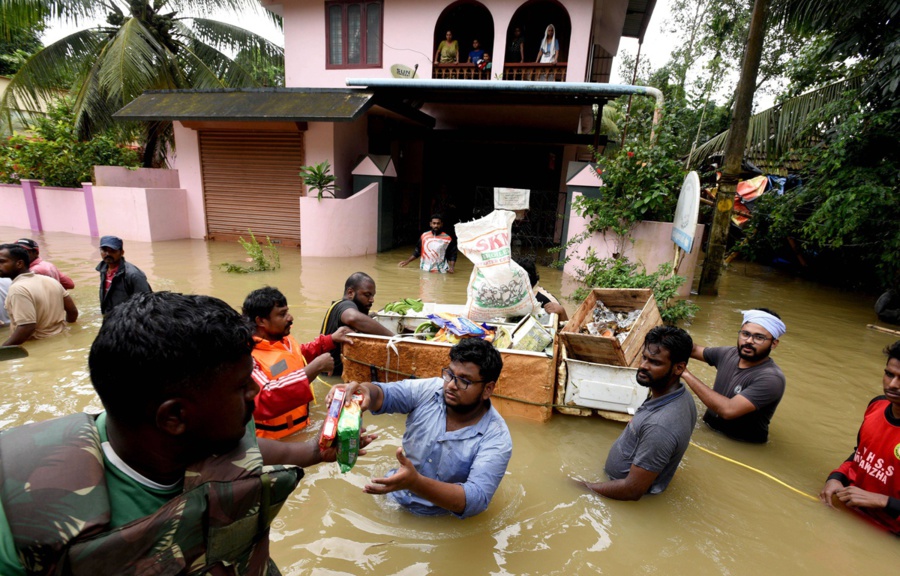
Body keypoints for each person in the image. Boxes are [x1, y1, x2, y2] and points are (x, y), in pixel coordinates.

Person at [0, 291, 374, 575]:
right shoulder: (16, 521)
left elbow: (246, 451)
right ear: (175, 417)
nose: (256, 393)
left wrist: (315, 450)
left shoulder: (197, 435)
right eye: (243, 386)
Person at [344, 338, 512, 518]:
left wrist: (415, 483)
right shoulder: (429, 390)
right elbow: (383, 395)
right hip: (392, 498)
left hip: (439, 520)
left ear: (488, 389)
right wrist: (364, 393)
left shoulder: (496, 437)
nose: (451, 385)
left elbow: (475, 499)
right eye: (449, 374)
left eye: (464, 380)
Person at [580, 326, 697, 500]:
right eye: (644, 357)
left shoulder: (660, 425)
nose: (643, 366)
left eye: (655, 362)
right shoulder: (680, 394)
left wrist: (582, 487)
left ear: (678, 368)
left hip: (622, 497)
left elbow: (632, 490)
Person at [243, 287, 355, 439]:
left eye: (287, 311)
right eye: (282, 314)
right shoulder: (247, 358)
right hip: (274, 444)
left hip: (301, 432)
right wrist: (316, 367)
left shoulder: (282, 339)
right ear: (261, 321)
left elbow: (296, 356)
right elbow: (265, 397)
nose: (290, 318)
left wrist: (329, 340)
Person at [819, 340, 900, 534]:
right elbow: (861, 454)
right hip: (848, 514)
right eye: (889, 374)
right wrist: (836, 478)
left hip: (889, 534)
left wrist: (882, 501)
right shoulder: (877, 406)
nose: (893, 384)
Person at [683, 308, 786, 443]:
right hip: (709, 430)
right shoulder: (729, 354)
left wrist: (685, 373)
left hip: (741, 445)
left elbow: (728, 410)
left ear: (773, 343)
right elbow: (695, 350)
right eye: (745, 334)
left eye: (759, 337)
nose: (749, 341)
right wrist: (669, 336)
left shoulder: (771, 379)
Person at [0, 243, 78, 346]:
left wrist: (3, 350)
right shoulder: (50, 281)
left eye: (2, 262)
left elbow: (27, 327)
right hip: (61, 341)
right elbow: (72, 312)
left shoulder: (17, 289)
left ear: (19, 264)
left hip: (37, 347)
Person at [320, 272, 394, 377]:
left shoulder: (338, 306)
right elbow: (353, 318)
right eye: (367, 295)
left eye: (373, 295)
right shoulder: (345, 304)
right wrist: (394, 337)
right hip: (334, 377)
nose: (372, 300)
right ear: (350, 293)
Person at [96, 235, 152, 314]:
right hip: (111, 316)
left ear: (122, 252)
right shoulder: (103, 269)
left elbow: (146, 302)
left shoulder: (133, 274)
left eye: (112, 251)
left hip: (125, 319)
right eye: (104, 250)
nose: (107, 254)